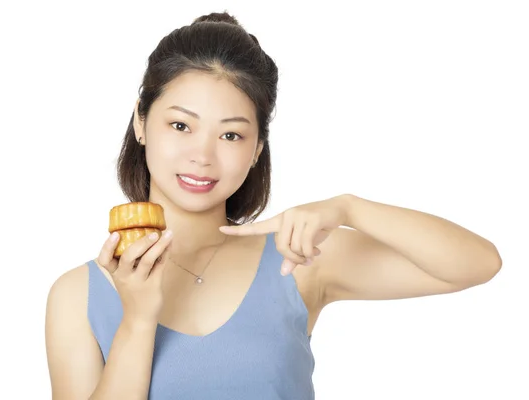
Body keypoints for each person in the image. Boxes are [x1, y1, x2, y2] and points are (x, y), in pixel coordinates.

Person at [45, 11, 502, 400]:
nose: (202, 155)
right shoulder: (77, 296)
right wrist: (139, 320)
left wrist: (349, 208)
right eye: (181, 126)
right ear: (140, 121)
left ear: (258, 148)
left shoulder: (297, 259)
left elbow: (476, 264)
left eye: (230, 134)